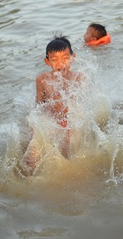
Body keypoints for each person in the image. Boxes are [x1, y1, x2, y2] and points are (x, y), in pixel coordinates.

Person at [20, 36, 82, 174]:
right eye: (54, 60)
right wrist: (34, 127)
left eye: (65, 58)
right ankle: (30, 181)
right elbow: (39, 106)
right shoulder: (42, 79)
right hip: (51, 121)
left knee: (69, 149)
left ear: (73, 57)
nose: (60, 64)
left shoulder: (79, 78)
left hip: (72, 122)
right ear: (47, 61)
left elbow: (84, 107)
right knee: (31, 155)